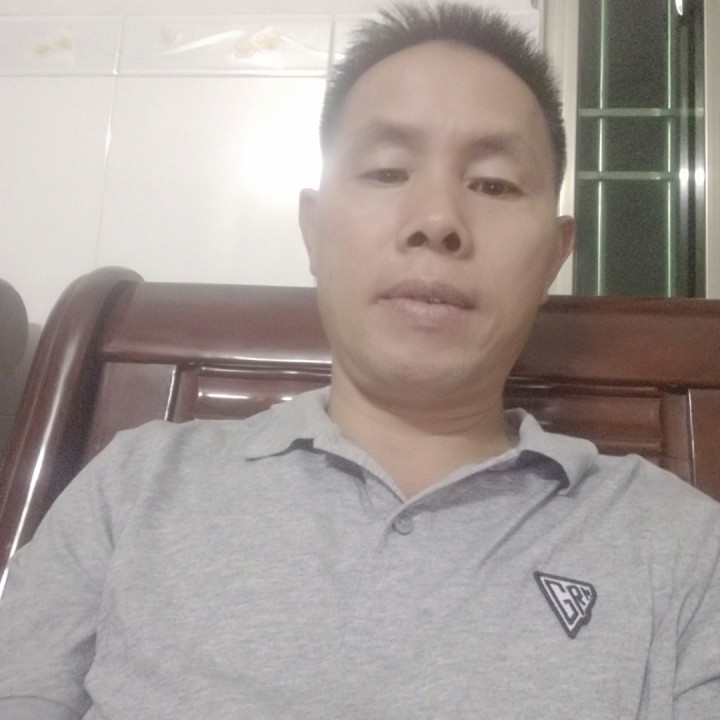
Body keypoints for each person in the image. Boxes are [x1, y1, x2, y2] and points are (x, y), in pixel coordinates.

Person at [0, 3, 718, 719]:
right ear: (313, 231)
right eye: (386, 171)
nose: (436, 221)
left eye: (494, 183)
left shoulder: (682, 550)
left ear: (553, 257)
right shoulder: (136, 488)